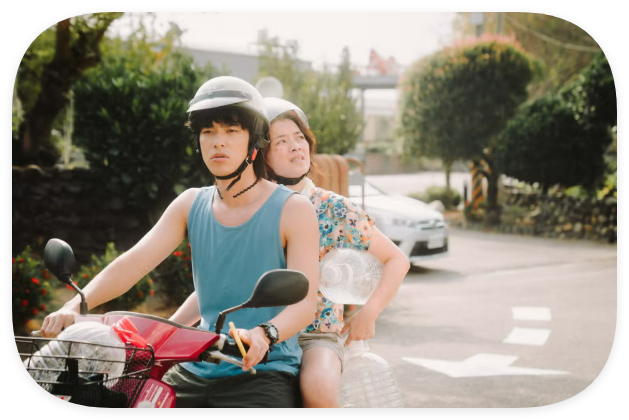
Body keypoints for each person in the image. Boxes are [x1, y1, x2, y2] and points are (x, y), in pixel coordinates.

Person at [40, 76, 321, 408]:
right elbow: (134, 262)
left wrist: (265, 333)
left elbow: (305, 303)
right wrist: (75, 304)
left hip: (263, 371)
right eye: (208, 131)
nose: (218, 142)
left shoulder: (294, 209)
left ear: (254, 141)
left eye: (231, 130)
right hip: (195, 366)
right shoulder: (190, 204)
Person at [173, 97, 411, 408]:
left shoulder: (334, 208)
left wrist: (369, 312)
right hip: (250, 328)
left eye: (300, 138)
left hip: (314, 334)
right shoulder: (250, 206)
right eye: (282, 141)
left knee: (319, 388)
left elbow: (397, 259)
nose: (296, 147)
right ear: (261, 153)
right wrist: (170, 328)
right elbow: (216, 289)